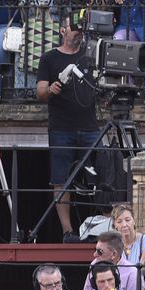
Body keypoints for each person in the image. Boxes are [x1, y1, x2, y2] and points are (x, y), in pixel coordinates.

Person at [36, 14, 99, 242]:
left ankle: (100, 227)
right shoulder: (49, 58)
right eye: (74, 28)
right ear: (62, 31)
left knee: (99, 176)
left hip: (90, 125)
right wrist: (50, 89)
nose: (79, 32)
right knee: (61, 179)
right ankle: (67, 231)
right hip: (62, 127)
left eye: (81, 29)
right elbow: (40, 92)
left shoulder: (90, 56)